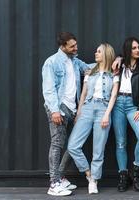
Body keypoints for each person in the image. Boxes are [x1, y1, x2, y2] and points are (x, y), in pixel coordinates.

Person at [42, 32, 92, 196]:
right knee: (57, 144)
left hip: (72, 109)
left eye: (76, 45)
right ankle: (54, 183)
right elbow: (48, 89)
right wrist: (55, 110)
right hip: (59, 108)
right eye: (72, 46)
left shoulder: (75, 61)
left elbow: (91, 68)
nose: (76, 48)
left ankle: (60, 176)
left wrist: (115, 60)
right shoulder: (52, 62)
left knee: (73, 144)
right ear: (62, 46)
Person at [67, 43, 119, 194]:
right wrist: (79, 113)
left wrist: (107, 114)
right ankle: (88, 174)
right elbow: (83, 94)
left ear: (106, 54)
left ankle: (94, 181)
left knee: (98, 149)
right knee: (73, 146)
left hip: (103, 109)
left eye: (99, 52)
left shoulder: (114, 73)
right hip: (87, 109)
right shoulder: (90, 71)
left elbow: (114, 96)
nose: (95, 53)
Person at [112, 37, 139, 192]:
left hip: (134, 106)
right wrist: (119, 58)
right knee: (121, 143)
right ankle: (123, 175)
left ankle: (136, 171)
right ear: (128, 49)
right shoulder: (119, 66)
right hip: (118, 103)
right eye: (134, 48)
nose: (138, 50)